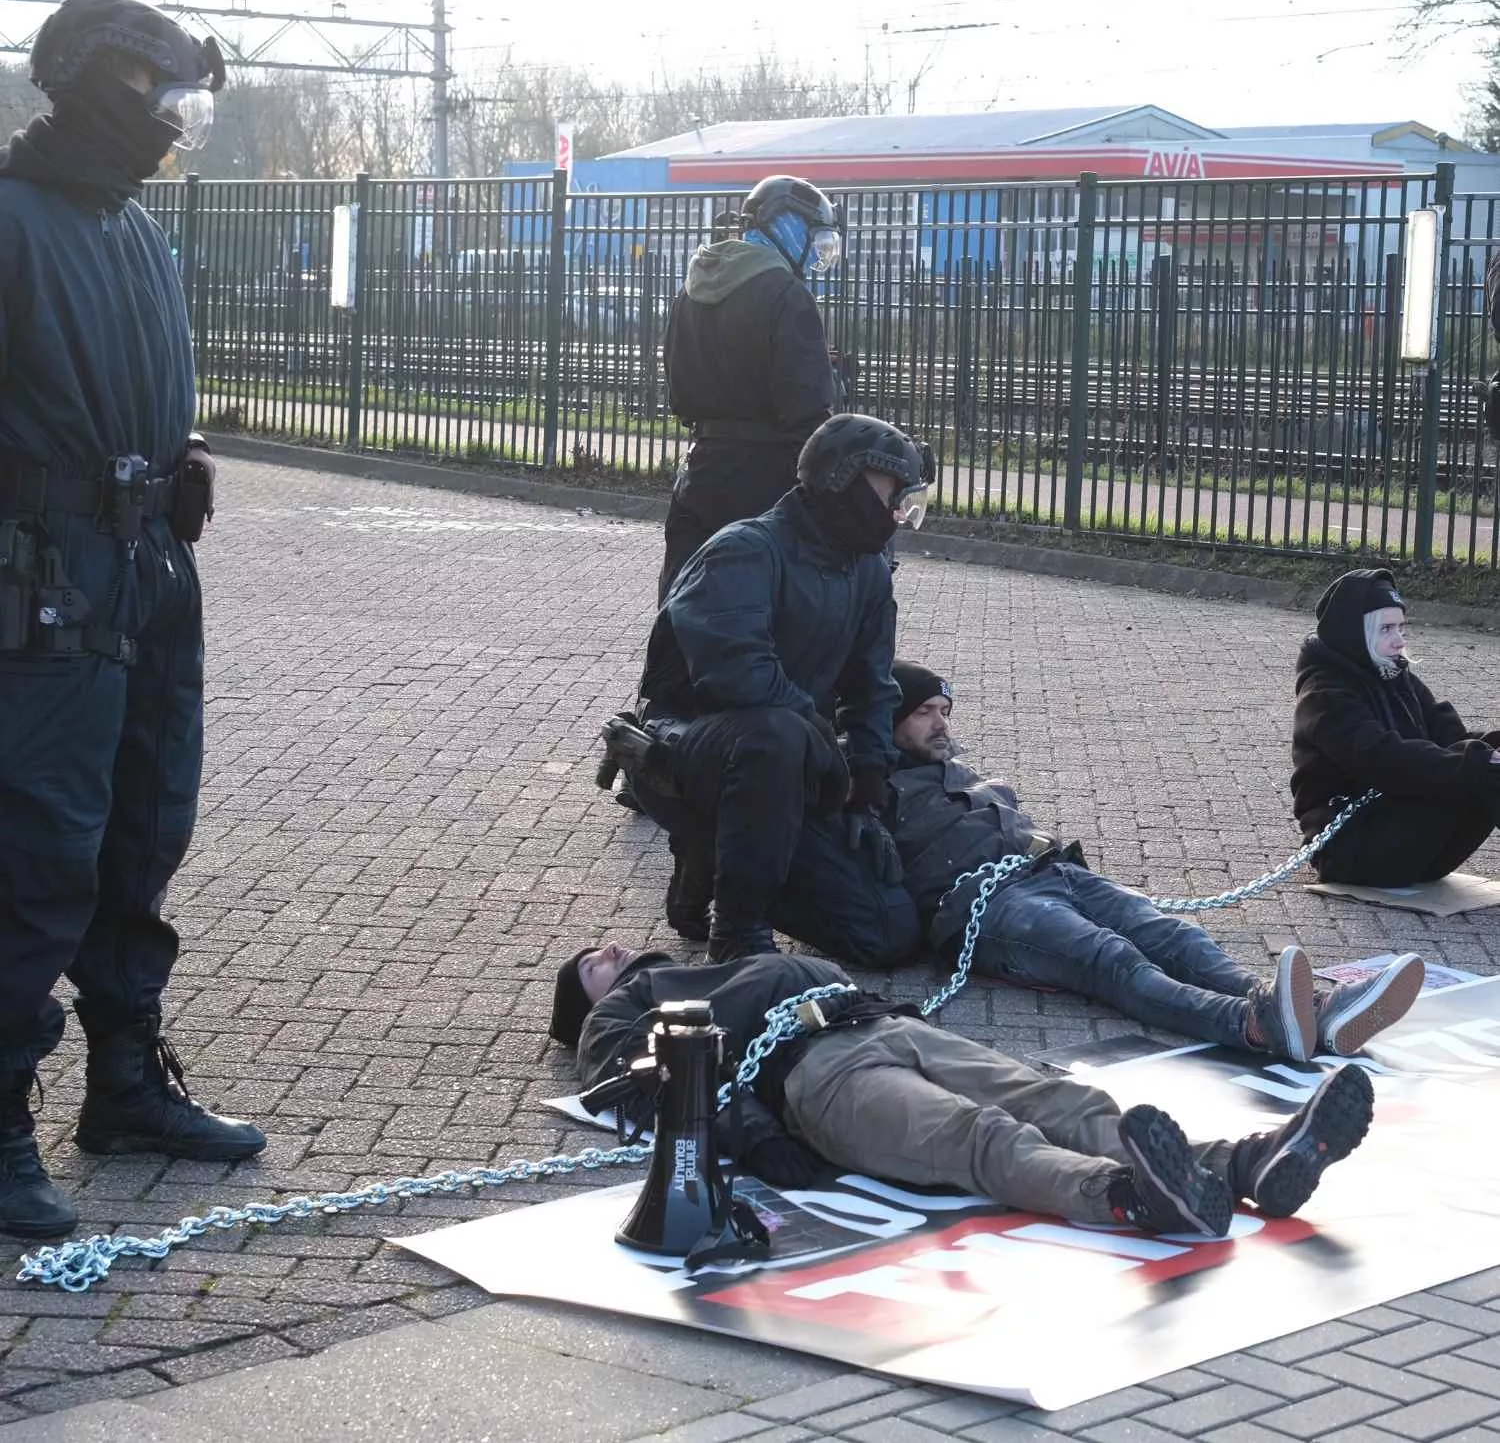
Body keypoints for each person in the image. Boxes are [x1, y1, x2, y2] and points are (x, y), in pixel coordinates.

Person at [0, 0, 265, 1241]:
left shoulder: (138, 237)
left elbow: (138, 385)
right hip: (38, 591)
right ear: (102, 83)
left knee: (142, 832)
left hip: (151, 572)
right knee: (35, 857)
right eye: (165, 99)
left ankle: (123, 1082)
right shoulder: (8, 221)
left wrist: (183, 451)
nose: (175, 129)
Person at [550, 943, 1377, 1238]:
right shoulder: (628, 1010)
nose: (612, 950)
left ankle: (1240, 1165)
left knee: (1063, 1101)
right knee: (978, 1137)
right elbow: (642, 1085)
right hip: (816, 1078)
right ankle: (1129, 1197)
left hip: (884, 1027)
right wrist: (762, 1140)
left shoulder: (723, 958)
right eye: (593, 961)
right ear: (586, 998)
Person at [876, 661, 1423, 1062]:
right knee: (1113, 958)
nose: (942, 724)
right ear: (890, 719)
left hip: (1054, 870)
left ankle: (1318, 1012)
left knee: (1176, 937)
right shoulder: (869, 788)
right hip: (988, 906)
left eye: (944, 711)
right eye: (925, 712)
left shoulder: (952, 766)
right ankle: (1252, 1024)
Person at [632, 414, 926, 964]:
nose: (896, 512)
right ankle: (739, 931)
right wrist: (820, 739)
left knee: (885, 933)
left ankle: (719, 864)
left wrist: (868, 781)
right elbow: (737, 675)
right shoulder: (746, 550)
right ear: (843, 479)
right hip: (688, 747)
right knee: (777, 734)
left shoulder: (868, 570)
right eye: (892, 493)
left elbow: (873, 683)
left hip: (788, 764)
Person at [658, 174, 842, 601]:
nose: (815, 252)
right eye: (814, 238)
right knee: (757, 612)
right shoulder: (787, 293)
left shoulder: (691, 288)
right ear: (791, 228)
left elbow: (679, 396)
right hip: (768, 483)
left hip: (701, 473)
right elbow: (809, 411)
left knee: (683, 602)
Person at [1293, 568, 1500, 887]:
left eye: (1401, 628)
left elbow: (1451, 738)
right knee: (1477, 770)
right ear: (1354, 634)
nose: (1399, 640)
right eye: (1386, 629)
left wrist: (1493, 748)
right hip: (1351, 848)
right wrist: (1479, 761)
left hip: (1404, 836)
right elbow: (1383, 757)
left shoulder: (1397, 677)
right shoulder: (1324, 695)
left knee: (1485, 769)